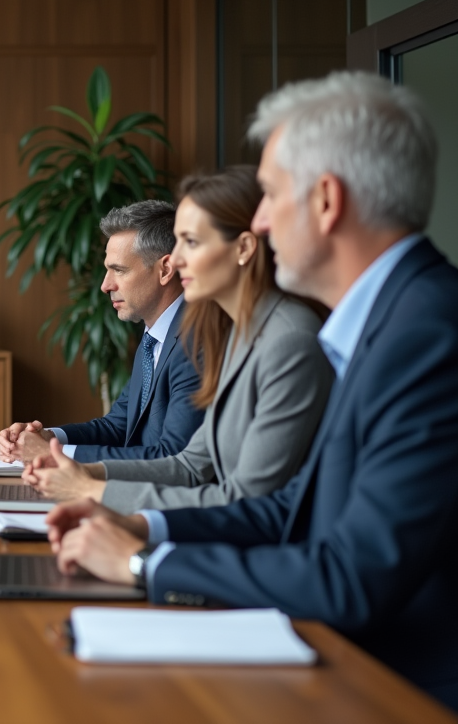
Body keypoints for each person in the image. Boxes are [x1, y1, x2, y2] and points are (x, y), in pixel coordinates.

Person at [45, 72, 458, 709]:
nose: (259, 222)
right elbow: (290, 506)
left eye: (268, 193)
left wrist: (141, 563)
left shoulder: (425, 332)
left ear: (326, 200)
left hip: (396, 688)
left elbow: (352, 576)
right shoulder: (385, 320)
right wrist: (139, 527)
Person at [23, 167, 333, 513]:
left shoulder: (285, 339)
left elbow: (248, 501)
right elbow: (190, 464)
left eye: (191, 242)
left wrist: (94, 491)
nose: (177, 259)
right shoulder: (237, 332)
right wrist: (77, 471)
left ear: (244, 248)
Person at [0, 201, 202, 464]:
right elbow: (117, 427)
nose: (105, 285)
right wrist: (49, 437)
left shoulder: (195, 340)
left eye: (119, 270)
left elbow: (172, 458)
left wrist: (53, 455)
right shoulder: (154, 337)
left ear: (165, 269)